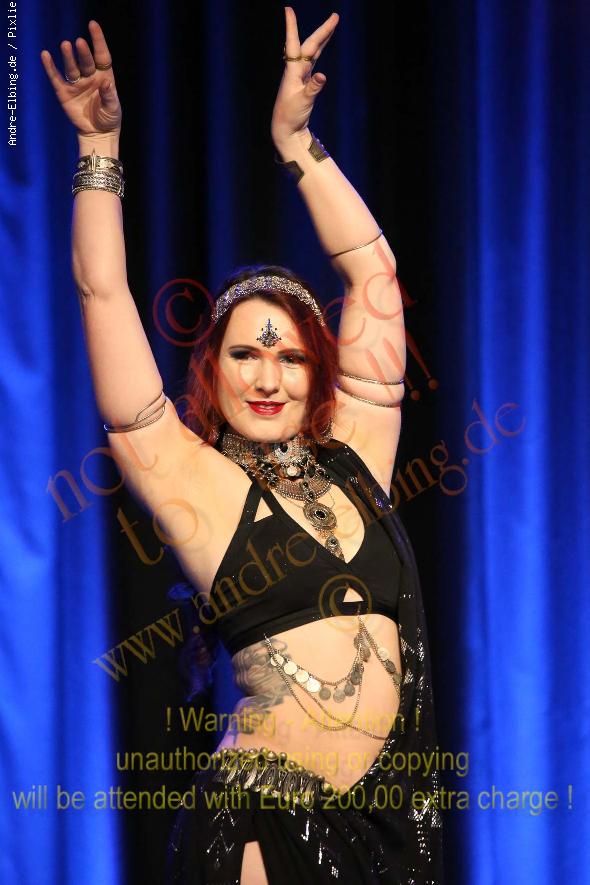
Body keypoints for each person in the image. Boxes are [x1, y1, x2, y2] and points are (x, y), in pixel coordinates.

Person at [41, 9, 444, 884]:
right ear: (212, 370)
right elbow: (102, 293)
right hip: (262, 825)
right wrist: (99, 151)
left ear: (317, 370)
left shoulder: (359, 457)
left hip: (385, 828)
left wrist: (296, 143)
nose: (269, 377)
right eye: (245, 355)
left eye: (291, 356)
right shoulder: (195, 482)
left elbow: (373, 272)